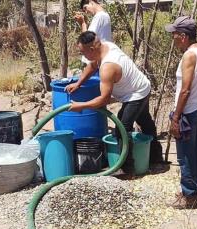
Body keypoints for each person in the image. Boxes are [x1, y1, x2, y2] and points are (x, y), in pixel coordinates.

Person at [65, 31, 163, 174]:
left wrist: (81, 106)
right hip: (140, 86)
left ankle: (128, 169)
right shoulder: (104, 47)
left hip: (136, 94)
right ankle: (156, 157)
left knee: (122, 129)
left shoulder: (108, 66)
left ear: (92, 49)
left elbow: (104, 99)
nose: (83, 56)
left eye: (83, 53)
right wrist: (79, 83)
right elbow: (92, 66)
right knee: (145, 122)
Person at [165, 16, 197, 209]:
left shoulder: (189, 56)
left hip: (189, 112)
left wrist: (176, 117)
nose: (173, 38)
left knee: (185, 155)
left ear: (183, 36)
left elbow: (185, 90)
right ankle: (193, 189)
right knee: (195, 153)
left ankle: (190, 197)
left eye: (174, 34)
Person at [74, 0, 112, 69]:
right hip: (102, 61)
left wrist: (83, 24)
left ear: (91, 2)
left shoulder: (99, 16)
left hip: (96, 64)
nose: (86, 12)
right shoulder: (105, 15)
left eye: (85, 8)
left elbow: (86, 40)